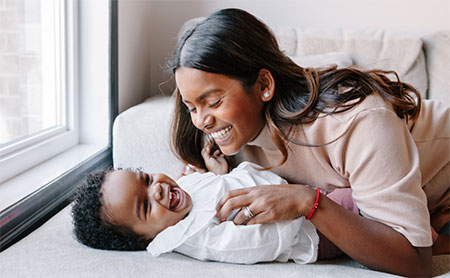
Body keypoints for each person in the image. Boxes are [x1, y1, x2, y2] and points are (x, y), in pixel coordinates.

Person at [170, 8, 450, 276]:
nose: (201, 121)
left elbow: (415, 262)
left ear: (264, 85)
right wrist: (222, 180)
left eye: (214, 102)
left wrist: (310, 202)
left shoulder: (353, 120)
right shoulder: (224, 140)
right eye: (192, 107)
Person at [71, 142, 358, 263]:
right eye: (145, 206)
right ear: (145, 239)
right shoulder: (196, 236)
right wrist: (296, 214)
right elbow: (255, 244)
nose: (156, 189)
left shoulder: (182, 190)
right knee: (361, 201)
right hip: (312, 229)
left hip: (301, 192)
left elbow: (217, 190)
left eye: (145, 179)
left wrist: (218, 173)